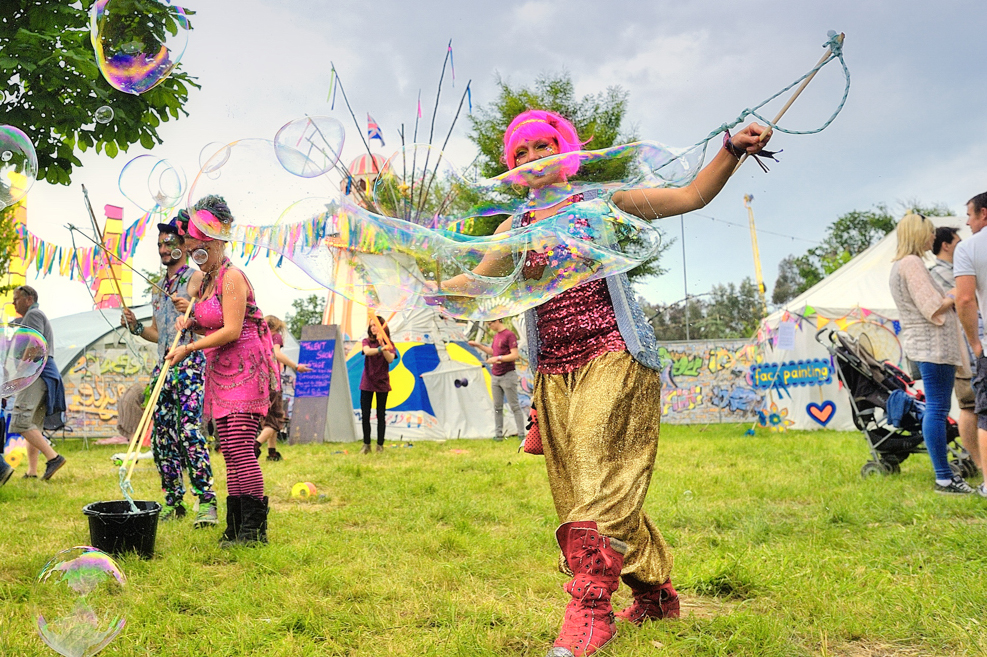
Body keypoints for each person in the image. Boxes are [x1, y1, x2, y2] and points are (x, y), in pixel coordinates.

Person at [438, 109, 773, 657]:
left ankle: (591, 608)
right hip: (552, 372)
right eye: (518, 154)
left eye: (541, 146)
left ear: (567, 152)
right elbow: (475, 281)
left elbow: (690, 196)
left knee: (598, 483)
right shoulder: (514, 227)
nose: (529, 159)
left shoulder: (600, 204)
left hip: (615, 354)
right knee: (584, 492)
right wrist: (417, 275)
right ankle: (655, 591)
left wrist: (732, 150)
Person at [167, 195, 280, 546]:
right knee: (229, 448)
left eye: (198, 244)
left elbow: (231, 329)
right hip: (221, 371)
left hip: (246, 370)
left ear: (215, 242)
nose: (191, 250)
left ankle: (254, 530)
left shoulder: (232, 276)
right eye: (189, 244)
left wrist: (188, 347)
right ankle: (236, 525)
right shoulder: (205, 283)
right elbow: (212, 325)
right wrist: (190, 322)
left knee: (240, 446)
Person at [120, 212, 218, 526]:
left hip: (189, 364)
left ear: (182, 245)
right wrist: (136, 328)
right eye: (160, 245)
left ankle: (206, 502)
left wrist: (191, 310)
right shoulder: (156, 287)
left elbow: (210, 321)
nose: (163, 250)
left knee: (189, 432)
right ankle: (173, 501)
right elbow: (156, 333)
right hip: (163, 366)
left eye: (169, 243)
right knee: (162, 437)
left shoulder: (195, 278)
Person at [890, 213, 973, 495]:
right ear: (916, 234)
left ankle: (944, 476)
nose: (931, 238)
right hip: (932, 347)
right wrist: (953, 294)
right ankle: (944, 478)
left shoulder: (901, 265)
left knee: (937, 409)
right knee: (938, 410)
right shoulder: (911, 264)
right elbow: (931, 306)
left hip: (927, 346)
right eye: (928, 233)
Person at [928, 225, 980, 473]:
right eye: (958, 241)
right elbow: (963, 297)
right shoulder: (937, 273)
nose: (963, 245)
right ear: (946, 245)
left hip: (976, 345)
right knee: (970, 405)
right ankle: (978, 463)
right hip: (963, 348)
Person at [10, 285, 66, 481]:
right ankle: (31, 471)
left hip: (35, 373)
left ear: (29, 299)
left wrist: (20, 372)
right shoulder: (33, 316)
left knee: (20, 420)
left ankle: (54, 458)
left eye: (16, 298)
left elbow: (36, 344)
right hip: (45, 375)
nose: (13, 302)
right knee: (33, 424)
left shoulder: (33, 315)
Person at [954, 191, 987, 497]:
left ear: (984, 214)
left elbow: (964, 299)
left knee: (985, 415)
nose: (967, 221)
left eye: (970, 215)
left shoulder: (969, 248)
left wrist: (976, 344)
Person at [253, 315, 310, 462]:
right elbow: (277, 353)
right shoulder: (275, 336)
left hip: (259, 382)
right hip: (272, 383)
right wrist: (296, 366)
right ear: (277, 327)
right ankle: (255, 445)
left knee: (269, 419)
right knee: (277, 420)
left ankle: (272, 453)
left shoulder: (258, 337)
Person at [468, 318, 526, 441]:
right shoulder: (496, 336)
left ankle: (522, 433)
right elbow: (493, 352)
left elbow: (514, 355)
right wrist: (478, 345)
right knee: (497, 406)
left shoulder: (509, 335)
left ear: (498, 321)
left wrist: (498, 358)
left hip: (508, 375)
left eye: (490, 324)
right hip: (496, 375)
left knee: (514, 405)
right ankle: (498, 434)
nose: (489, 327)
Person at [359, 316, 394, 454]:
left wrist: (384, 346)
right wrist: (380, 348)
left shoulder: (389, 343)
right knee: (365, 414)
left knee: (381, 414)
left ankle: (380, 445)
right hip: (367, 382)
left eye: (376, 325)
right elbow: (367, 351)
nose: (373, 327)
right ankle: (366, 444)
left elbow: (390, 359)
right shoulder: (366, 341)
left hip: (382, 383)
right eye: (371, 325)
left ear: (382, 327)